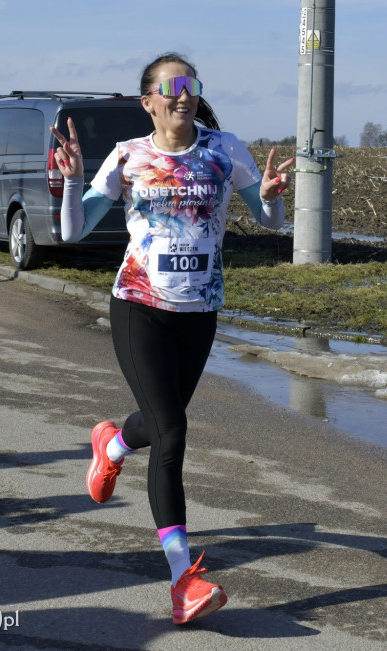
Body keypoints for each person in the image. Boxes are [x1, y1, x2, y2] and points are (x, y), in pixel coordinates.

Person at [51, 52, 293, 625]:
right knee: (172, 430)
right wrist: (72, 184)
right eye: (171, 86)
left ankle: (110, 445)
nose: (183, 94)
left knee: (157, 421)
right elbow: (71, 229)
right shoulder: (128, 156)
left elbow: (270, 221)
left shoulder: (224, 148)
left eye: (191, 84)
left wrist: (276, 193)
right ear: (149, 101)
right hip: (139, 306)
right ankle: (183, 580)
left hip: (199, 309)